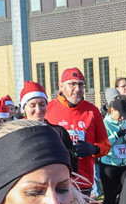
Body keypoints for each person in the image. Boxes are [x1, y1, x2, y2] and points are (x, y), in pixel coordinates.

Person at [45, 67, 110, 195]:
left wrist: (94, 149)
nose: (78, 89)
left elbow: (106, 146)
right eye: (72, 84)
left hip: (83, 182)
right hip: (55, 182)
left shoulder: (92, 111)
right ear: (61, 86)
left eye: (81, 84)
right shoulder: (48, 110)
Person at [100, 97, 126, 204]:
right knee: (109, 196)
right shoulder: (104, 124)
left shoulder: (125, 123)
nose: (122, 118)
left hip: (125, 163)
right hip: (109, 164)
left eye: (124, 116)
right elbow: (103, 145)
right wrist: (116, 135)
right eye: (120, 115)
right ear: (112, 110)